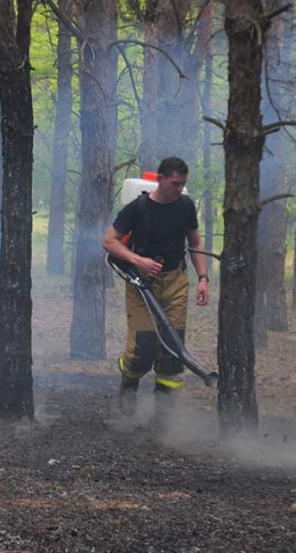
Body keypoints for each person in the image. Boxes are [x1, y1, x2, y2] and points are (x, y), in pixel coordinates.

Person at [101, 156, 210, 419]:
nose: (179, 189)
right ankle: (127, 400)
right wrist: (138, 260)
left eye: (183, 184)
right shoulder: (137, 208)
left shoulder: (185, 206)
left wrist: (203, 278)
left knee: (174, 350)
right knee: (143, 348)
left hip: (176, 282)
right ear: (160, 179)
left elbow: (195, 241)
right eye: (175, 183)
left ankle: (163, 422)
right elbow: (109, 242)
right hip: (142, 285)